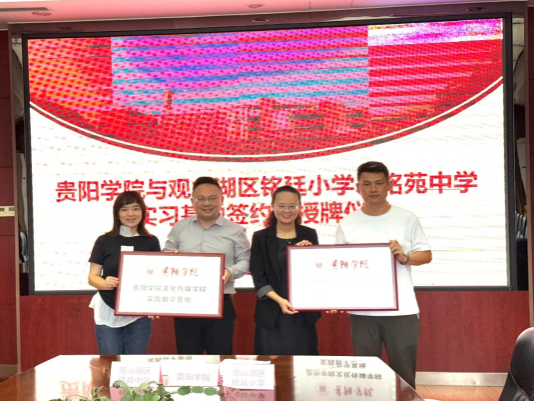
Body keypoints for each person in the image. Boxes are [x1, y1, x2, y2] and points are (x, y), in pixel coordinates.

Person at [335, 161, 432, 388]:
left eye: (379, 183)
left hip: (402, 310)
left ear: (389, 185)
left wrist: (404, 257)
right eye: (367, 184)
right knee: (366, 378)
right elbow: (339, 266)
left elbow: (426, 255)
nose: (373, 189)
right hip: (362, 311)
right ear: (357, 188)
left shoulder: (406, 218)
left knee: (404, 376)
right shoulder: (347, 223)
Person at [164, 176, 250, 354]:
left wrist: (230, 271)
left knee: (221, 358)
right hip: (186, 303)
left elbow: (245, 261)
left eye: (212, 198)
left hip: (220, 303)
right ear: (192, 201)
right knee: (188, 357)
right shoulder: (180, 227)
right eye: (201, 199)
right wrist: (171, 258)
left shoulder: (235, 230)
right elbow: (166, 254)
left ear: (221, 200)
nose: (206, 203)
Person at [250, 186, 321, 355]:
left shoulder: (309, 234)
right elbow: (258, 277)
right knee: (271, 366)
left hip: (302, 314)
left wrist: (310, 253)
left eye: (292, 206)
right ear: (273, 207)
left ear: (299, 207)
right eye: (281, 206)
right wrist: (280, 301)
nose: (287, 211)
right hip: (271, 314)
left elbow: (317, 273)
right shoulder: (260, 237)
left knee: (303, 365)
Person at [88, 191, 161, 355]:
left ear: (143, 212)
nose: (130, 214)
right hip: (108, 308)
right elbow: (92, 277)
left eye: (135, 208)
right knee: (110, 363)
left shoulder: (151, 241)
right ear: (117, 213)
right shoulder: (104, 241)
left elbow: (156, 278)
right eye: (124, 209)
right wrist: (105, 283)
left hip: (139, 313)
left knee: (135, 365)